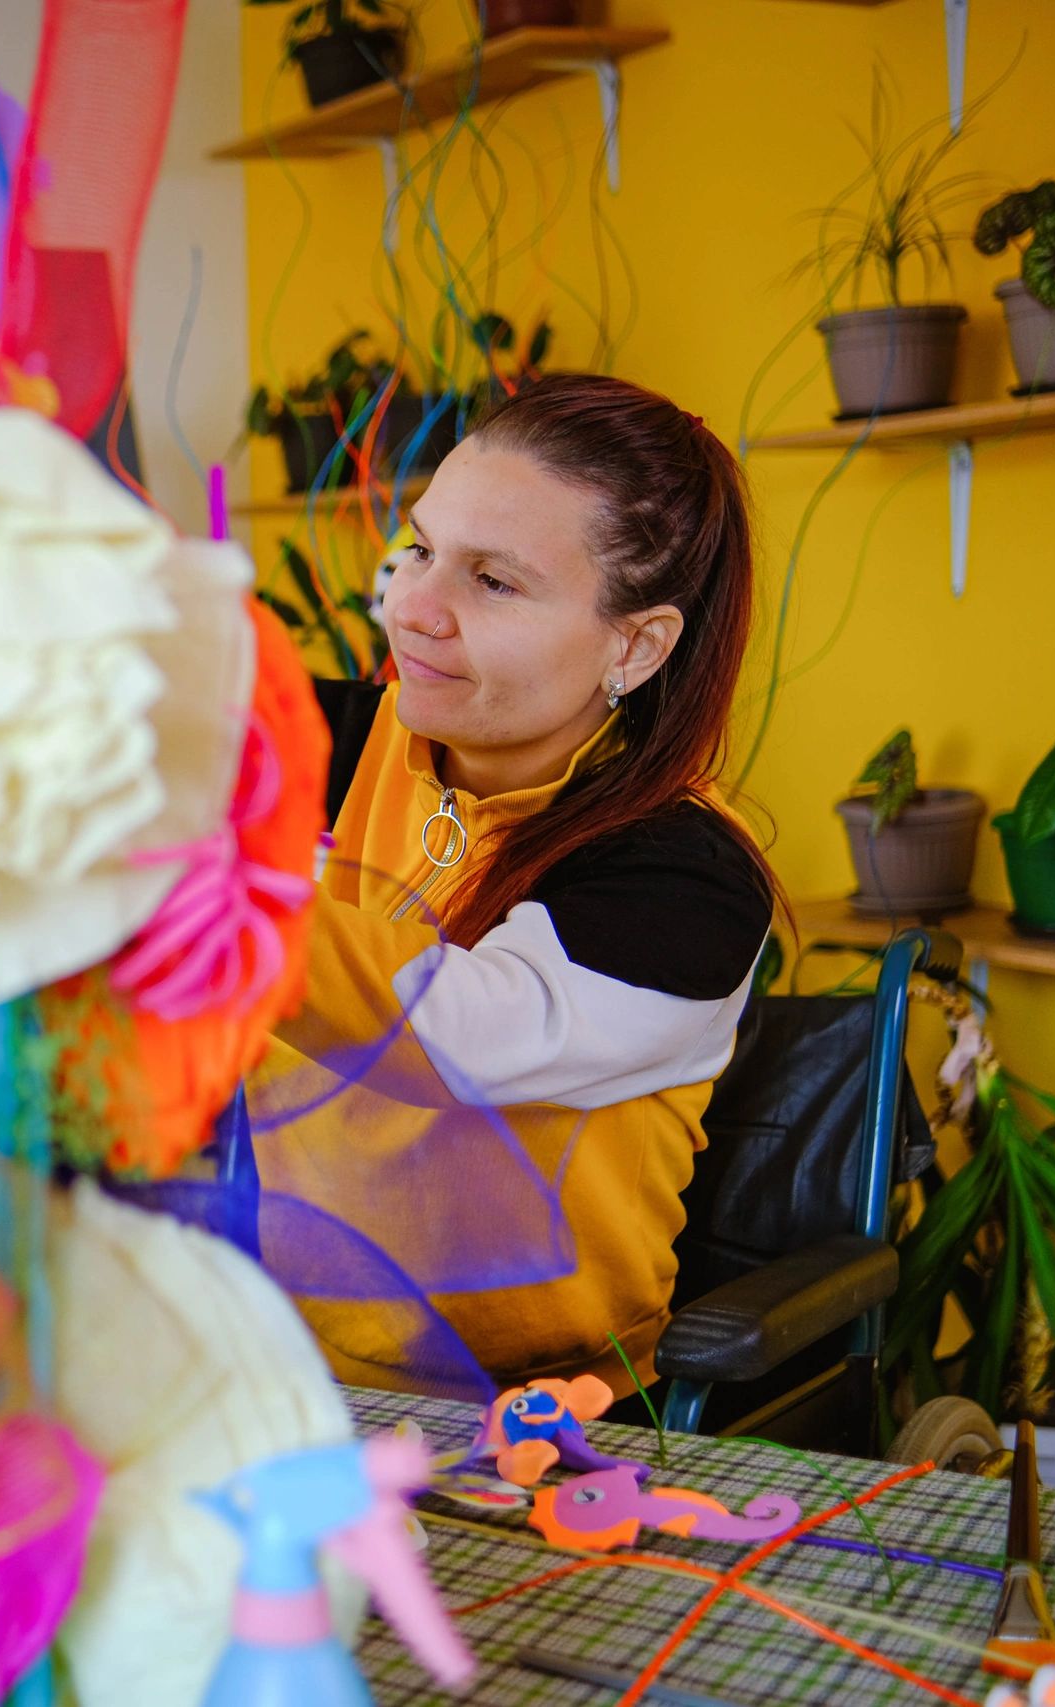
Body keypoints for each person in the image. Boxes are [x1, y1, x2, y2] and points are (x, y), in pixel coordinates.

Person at [254, 372, 780, 1399]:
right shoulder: (337, 744)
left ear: (633, 644)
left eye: (491, 582)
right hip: (276, 1373)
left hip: (534, 1417)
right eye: (419, 550)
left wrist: (202, 891)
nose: (412, 607)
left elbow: (458, 1042)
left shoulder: (686, 878)